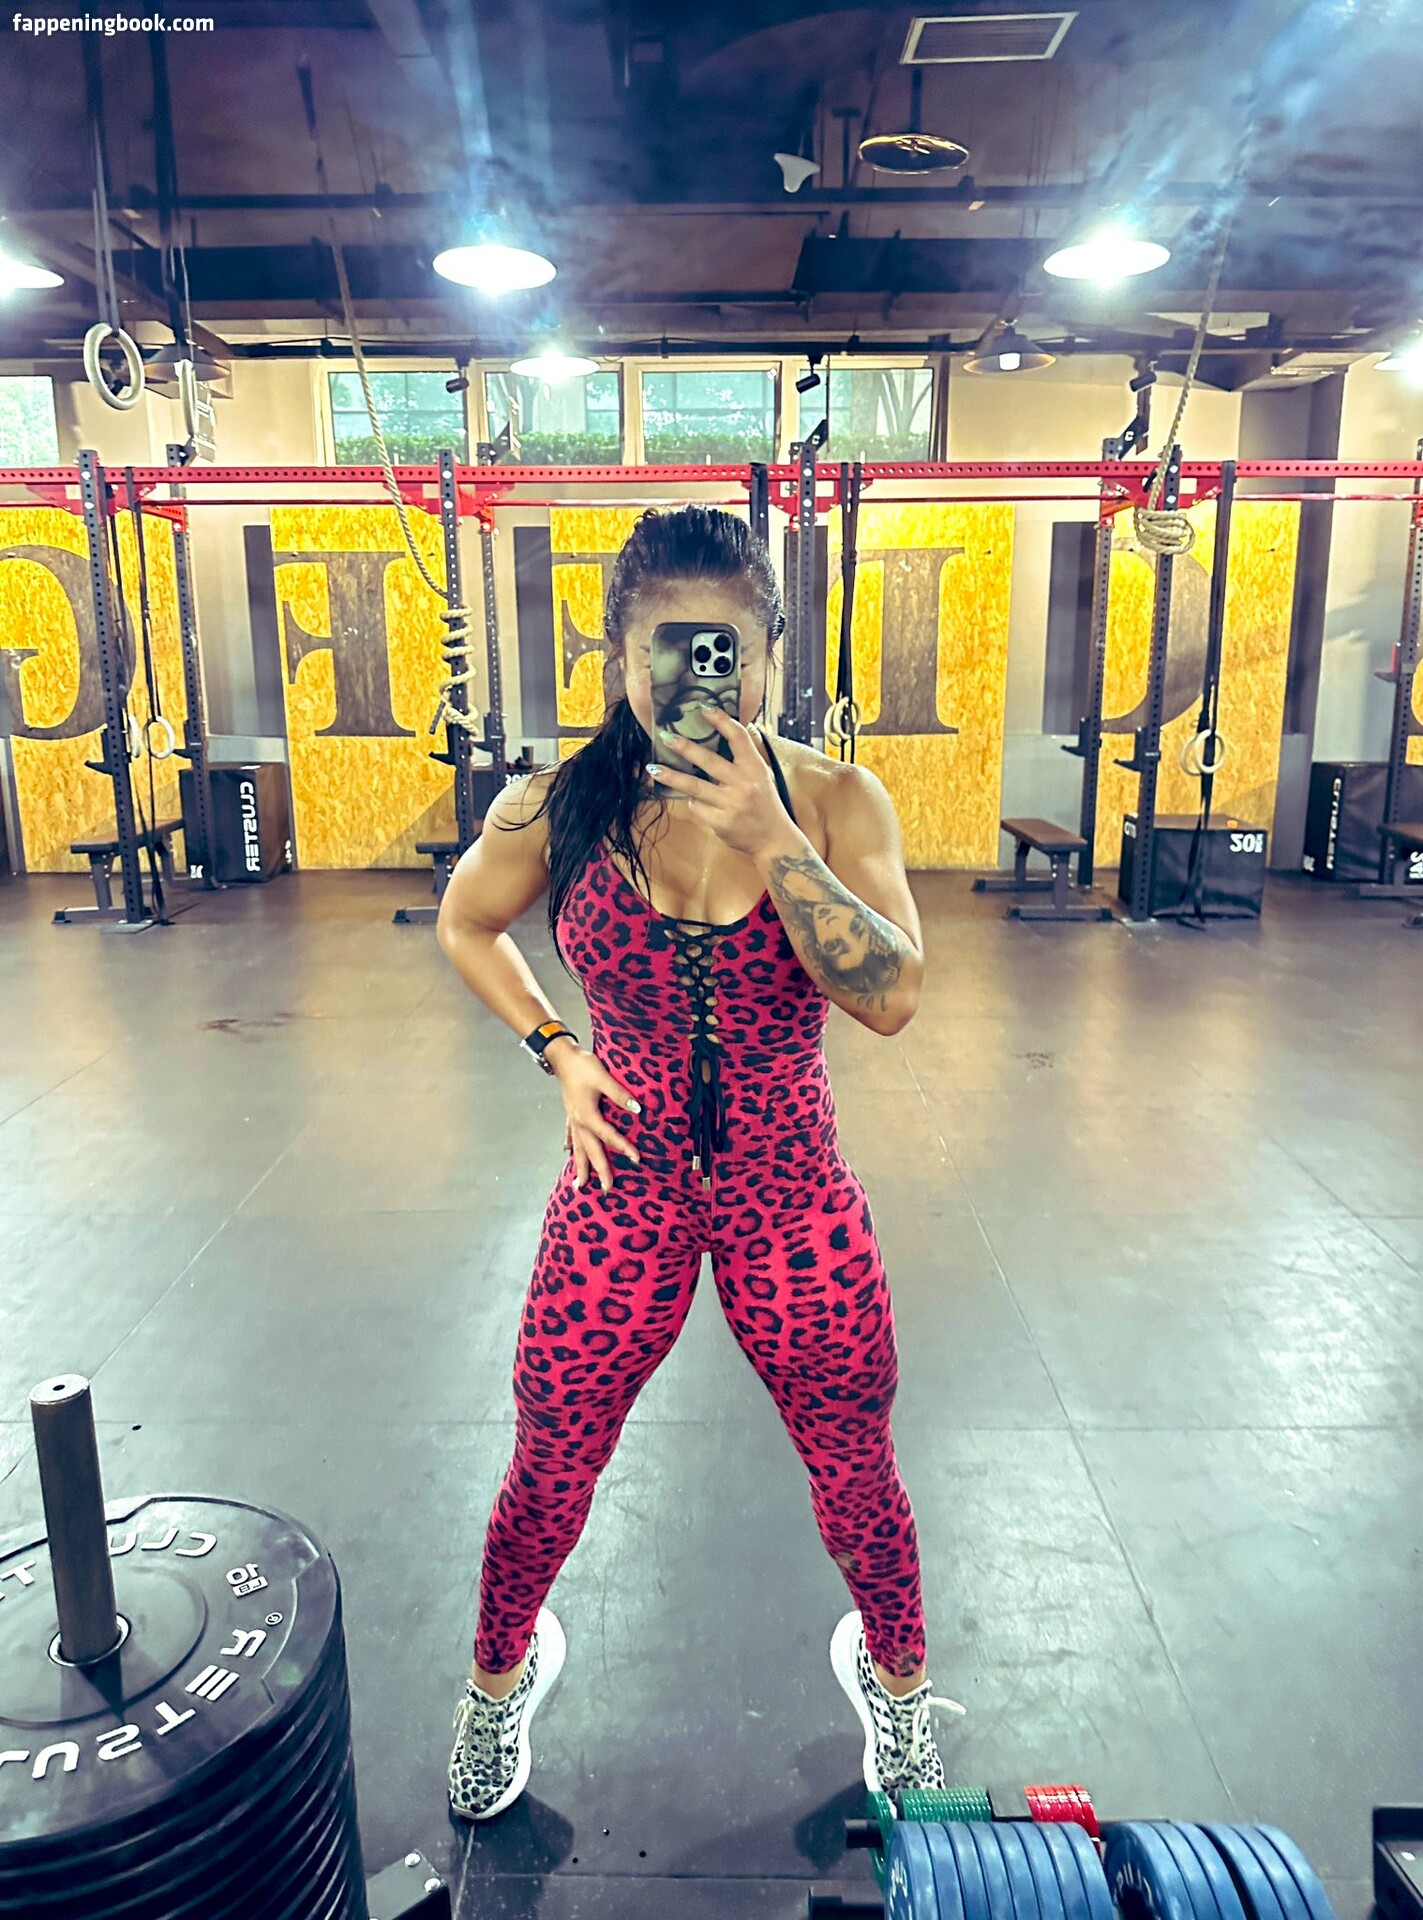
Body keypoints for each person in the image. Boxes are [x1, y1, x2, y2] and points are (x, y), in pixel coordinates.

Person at [436, 505, 965, 1823]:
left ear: (771, 657)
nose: (692, 685)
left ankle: (898, 1686)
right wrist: (559, 1051)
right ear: (619, 658)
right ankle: (496, 1683)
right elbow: (466, 921)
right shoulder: (561, 805)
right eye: (662, 657)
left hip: (793, 1190)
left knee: (855, 1463)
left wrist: (773, 839)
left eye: (724, 655)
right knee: (551, 1452)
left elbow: (894, 998)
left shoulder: (836, 803)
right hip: (625, 1187)